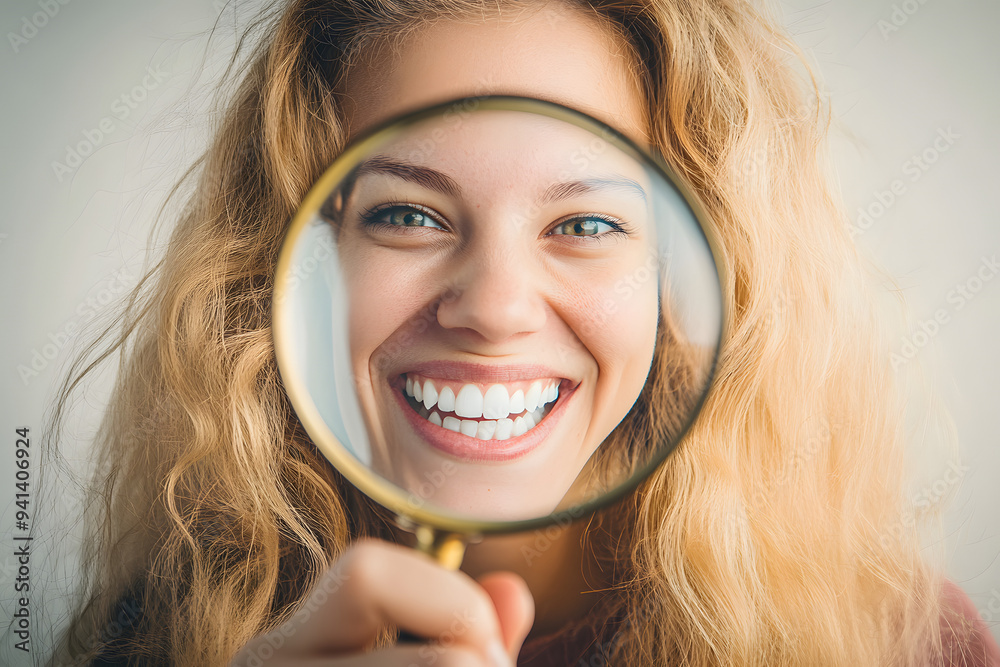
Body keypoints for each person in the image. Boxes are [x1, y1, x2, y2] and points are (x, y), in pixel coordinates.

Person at [43, 1, 1000, 665]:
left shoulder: (898, 645)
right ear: (289, 263)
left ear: (688, 283)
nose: (495, 309)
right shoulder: (163, 634)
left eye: (586, 225)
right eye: (407, 215)